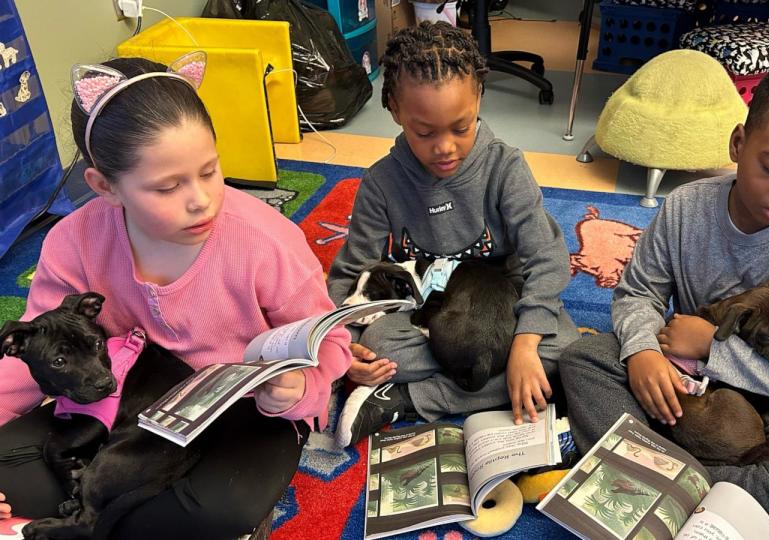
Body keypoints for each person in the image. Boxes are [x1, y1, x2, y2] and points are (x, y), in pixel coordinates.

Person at [0, 54, 352, 539]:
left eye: (210, 171)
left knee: (221, 510)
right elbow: (36, 350)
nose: (201, 199)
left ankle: (87, 522)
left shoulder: (265, 241)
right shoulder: (73, 240)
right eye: (168, 186)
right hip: (122, 406)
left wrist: (299, 390)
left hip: (241, 415)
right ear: (105, 187)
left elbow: (328, 342)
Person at [559, 60, 769, 539]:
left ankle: (653, 468)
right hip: (687, 385)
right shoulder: (684, 208)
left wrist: (715, 350)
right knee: (581, 360)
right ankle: (716, 485)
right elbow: (638, 293)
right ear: (739, 144)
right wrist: (641, 351)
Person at [327, 21, 579, 447]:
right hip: (426, 315)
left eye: (461, 128)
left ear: (479, 97)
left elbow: (549, 260)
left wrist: (524, 343)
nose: (444, 147)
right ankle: (473, 380)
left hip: (498, 307)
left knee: (565, 354)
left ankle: (409, 399)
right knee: (380, 343)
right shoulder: (382, 182)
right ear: (394, 110)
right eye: (425, 132)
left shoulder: (505, 168)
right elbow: (352, 272)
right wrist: (345, 345)